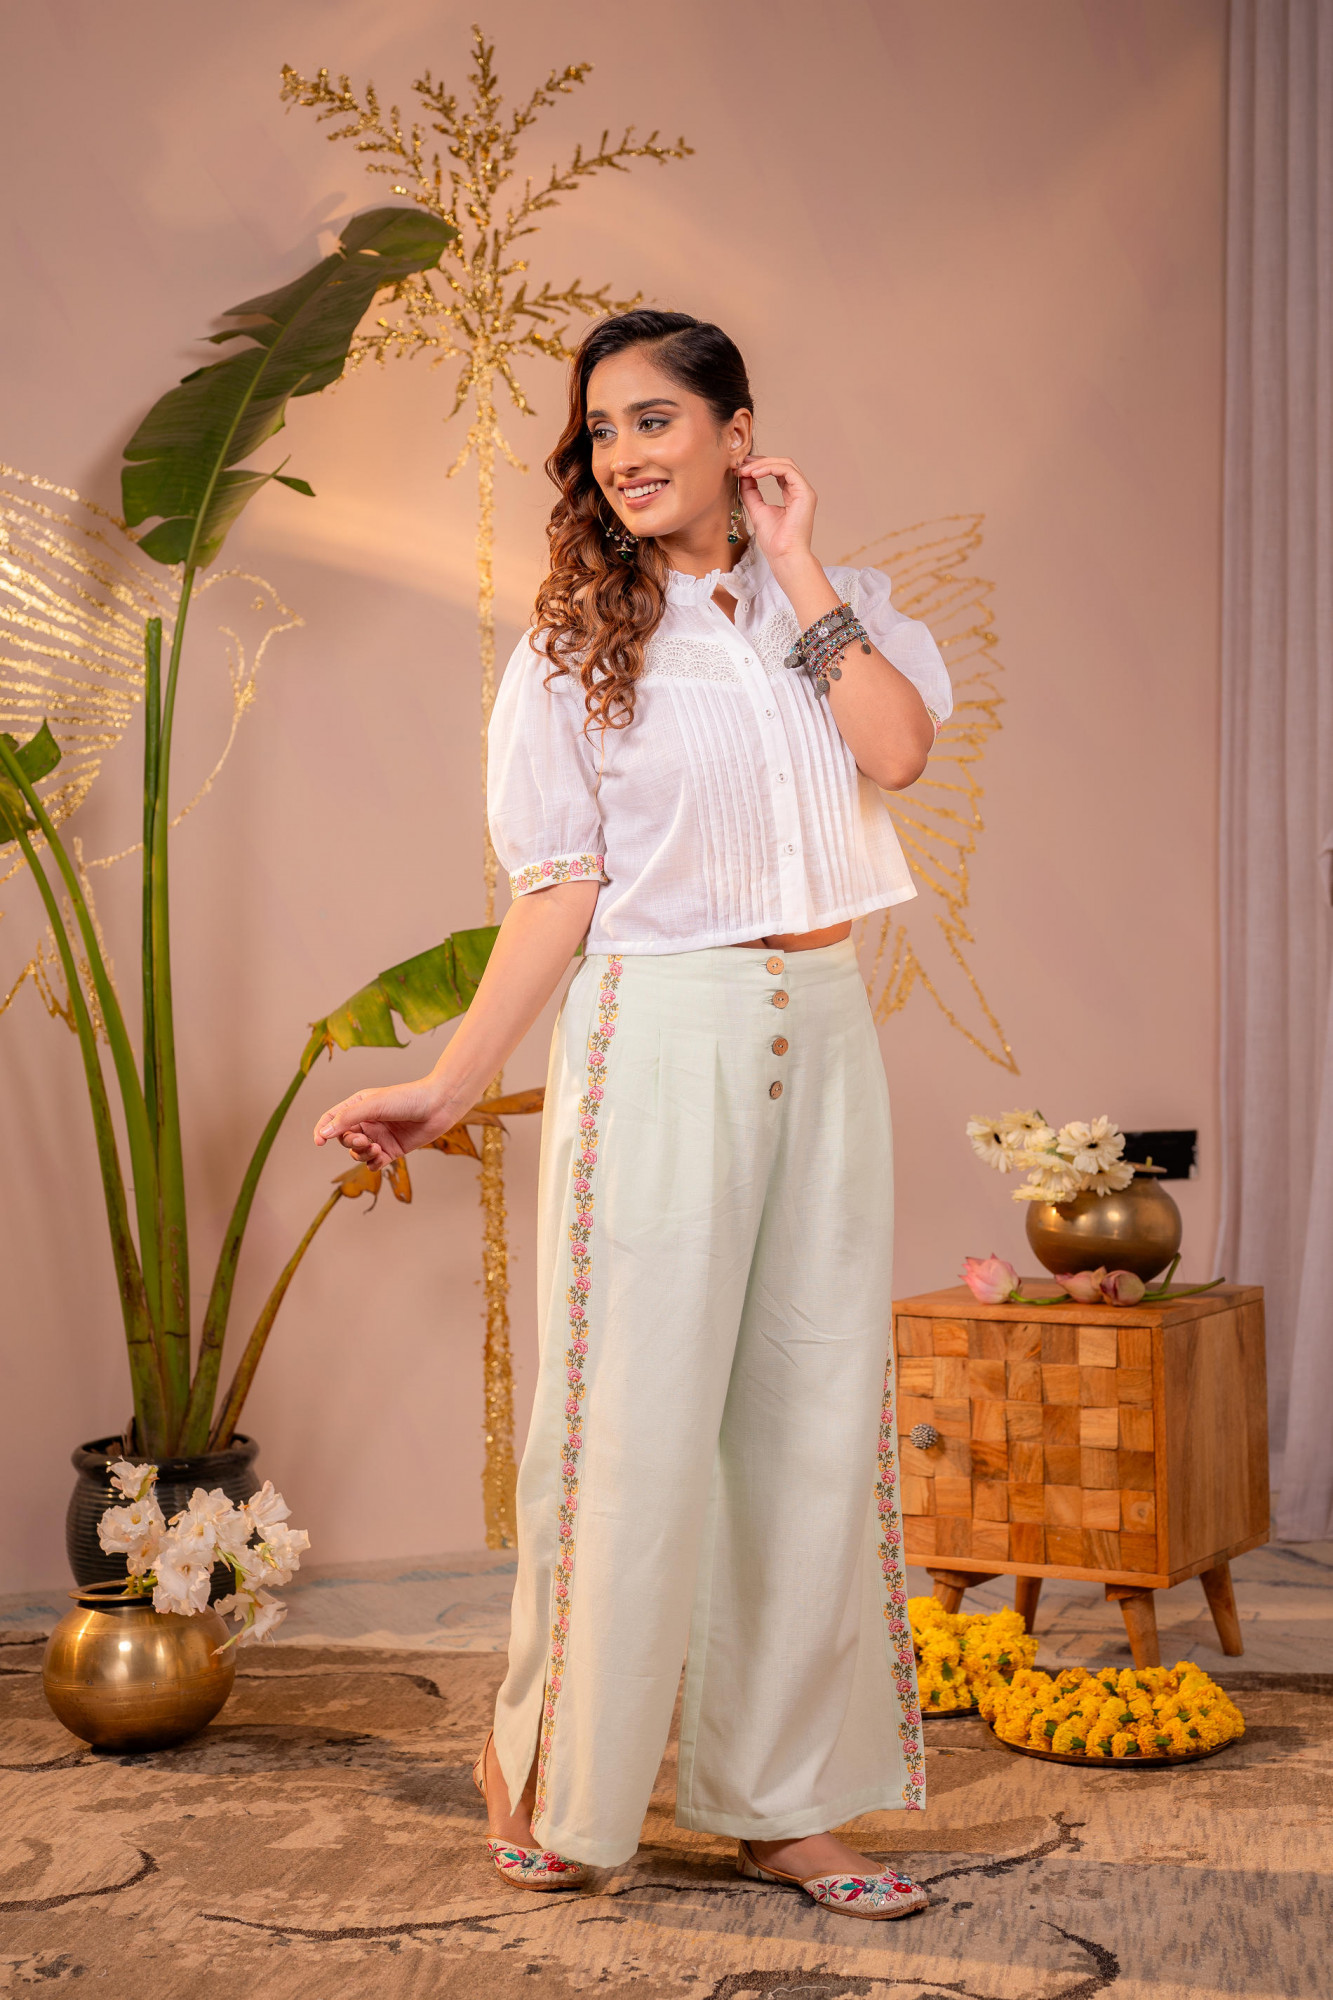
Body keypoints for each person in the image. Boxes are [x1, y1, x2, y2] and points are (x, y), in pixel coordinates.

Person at [314, 309, 951, 1920]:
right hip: (657, 1029)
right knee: (627, 1425)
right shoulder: (571, 653)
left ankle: (785, 1808)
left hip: (823, 1028)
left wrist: (797, 567)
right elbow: (558, 893)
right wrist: (450, 1082)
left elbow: (897, 753)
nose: (622, 454)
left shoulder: (842, 612)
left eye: (655, 418)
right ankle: (551, 1779)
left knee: (811, 1418)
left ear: (740, 433)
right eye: (599, 430)